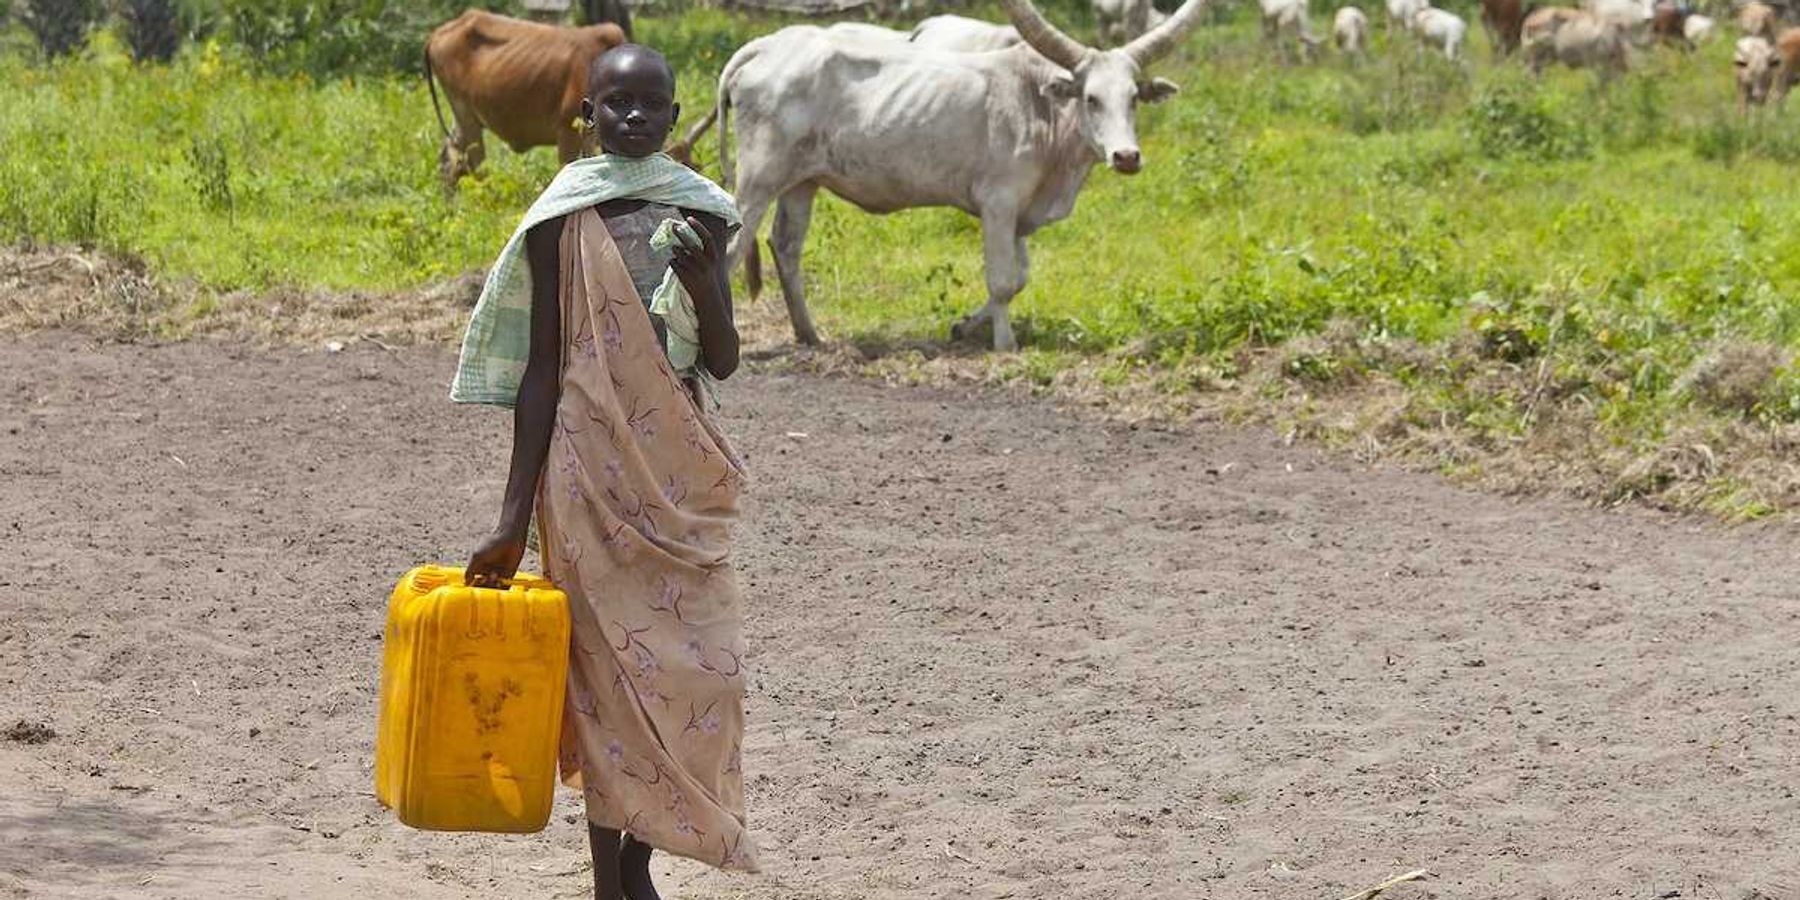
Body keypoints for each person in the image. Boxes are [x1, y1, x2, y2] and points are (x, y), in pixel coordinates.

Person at [450, 43, 758, 900]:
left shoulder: (704, 214)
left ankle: (639, 861)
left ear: (672, 114)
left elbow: (723, 362)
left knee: (704, 672)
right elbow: (543, 368)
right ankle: (607, 881)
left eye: (648, 105)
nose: (630, 117)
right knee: (602, 677)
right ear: (585, 115)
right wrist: (511, 517)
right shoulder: (562, 214)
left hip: (677, 469)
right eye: (612, 103)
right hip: (585, 465)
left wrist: (708, 288)